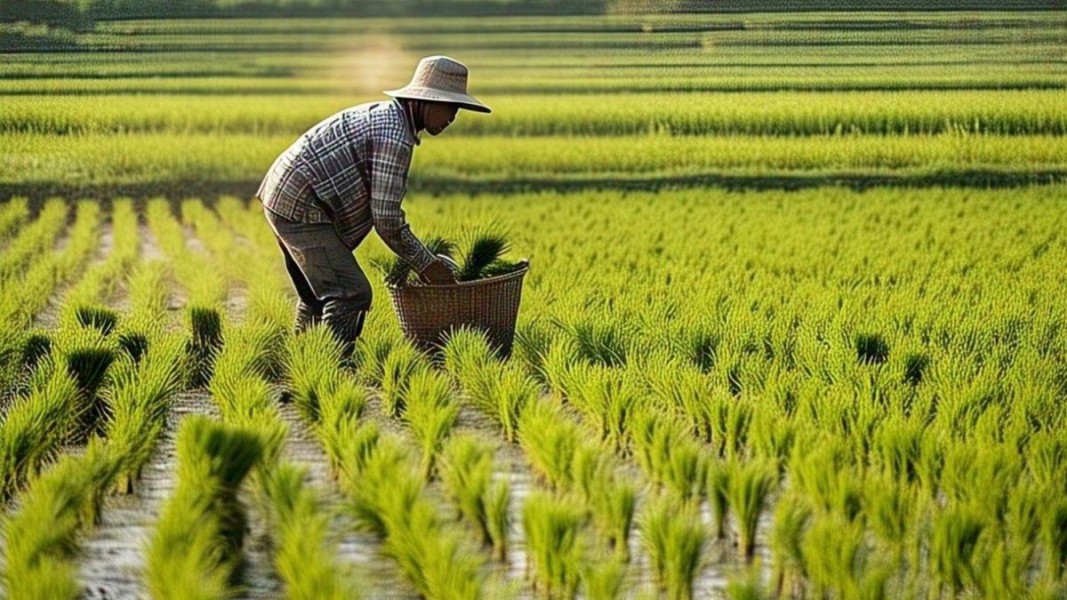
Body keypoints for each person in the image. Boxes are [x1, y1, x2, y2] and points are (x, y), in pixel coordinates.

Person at [256, 56, 491, 357]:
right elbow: (387, 219)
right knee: (351, 292)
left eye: (457, 109)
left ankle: (303, 364)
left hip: (284, 195)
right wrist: (427, 264)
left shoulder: (389, 119)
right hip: (300, 204)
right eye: (450, 106)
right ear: (427, 101)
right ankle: (329, 367)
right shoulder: (395, 137)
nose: (453, 117)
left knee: (317, 295)